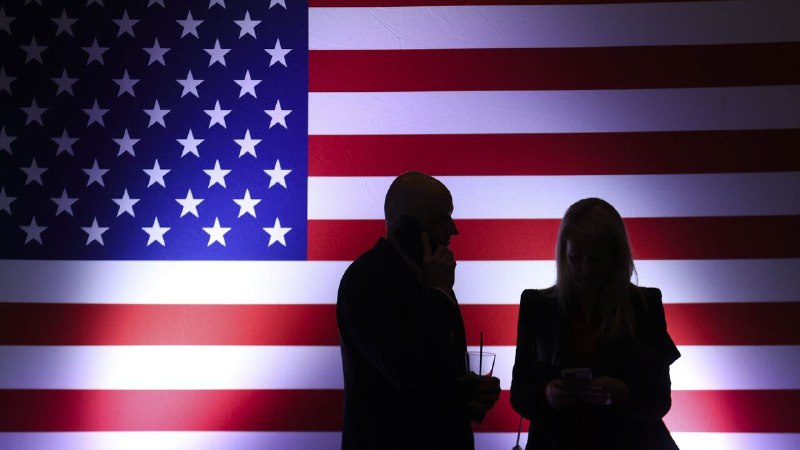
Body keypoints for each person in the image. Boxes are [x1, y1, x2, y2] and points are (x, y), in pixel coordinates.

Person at [337, 171, 501, 450]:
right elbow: (405, 369)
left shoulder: (430, 275)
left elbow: (436, 372)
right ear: (407, 228)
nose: (453, 230)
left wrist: (472, 392)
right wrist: (437, 293)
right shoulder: (365, 280)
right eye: (441, 220)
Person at [510, 198, 681, 450]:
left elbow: (659, 401)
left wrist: (624, 394)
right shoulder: (537, 305)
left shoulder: (645, 306)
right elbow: (519, 393)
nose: (584, 269)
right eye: (575, 258)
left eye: (596, 259)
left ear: (616, 256)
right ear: (563, 254)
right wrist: (545, 394)